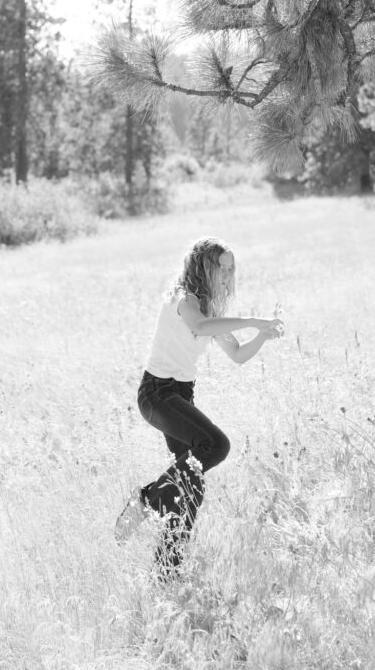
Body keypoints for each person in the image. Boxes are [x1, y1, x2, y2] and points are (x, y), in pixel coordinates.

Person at [114, 236, 284, 579]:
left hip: (179, 396)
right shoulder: (184, 299)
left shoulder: (210, 310)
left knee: (190, 488)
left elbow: (236, 355)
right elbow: (199, 327)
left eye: (232, 269)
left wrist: (262, 336)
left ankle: (166, 573)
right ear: (203, 266)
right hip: (157, 394)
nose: (228, 275)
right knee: (216, 446)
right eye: (222, 267)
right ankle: (145, 500)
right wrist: (251, 319)